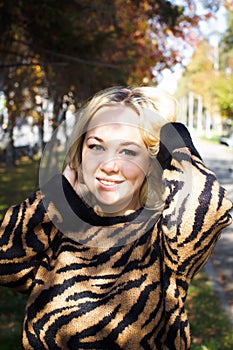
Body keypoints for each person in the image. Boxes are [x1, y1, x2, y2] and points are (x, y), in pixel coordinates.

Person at [0, 86, 232, 350]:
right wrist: (59, 192)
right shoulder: (60, 223)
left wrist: (171, 131)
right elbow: (7, 262)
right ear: (80, 152)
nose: (109, 165)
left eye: (128, 151)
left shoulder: (166, 236)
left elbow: (208, 201)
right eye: (96, 146)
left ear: (152, 161)